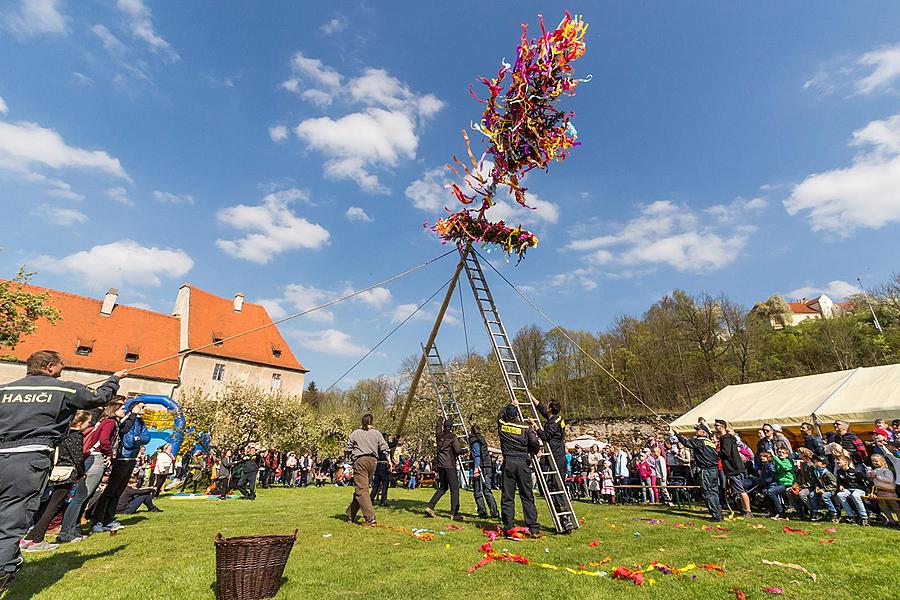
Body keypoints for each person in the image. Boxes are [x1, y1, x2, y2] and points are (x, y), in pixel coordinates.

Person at [0, 350, 124, 592]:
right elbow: (97, 399)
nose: (62, 370)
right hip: (28, 458)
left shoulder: (5, 390)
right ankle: (4, 570)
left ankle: (9, 560)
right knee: (12, 516)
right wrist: (115, 378)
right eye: (60, 366)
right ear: (49, 367)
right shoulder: (64, 389)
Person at [21, 411, 92, 552]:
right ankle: (37, 539)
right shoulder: (76, 436)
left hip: (56, 471)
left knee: (50, 505)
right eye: (88, 422)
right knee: (54, 506)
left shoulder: (62, 433)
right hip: (67, 473)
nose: (89, 424)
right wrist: (81, 473)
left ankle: (30, 537)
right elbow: (77, 457)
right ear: (79, 423)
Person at [57, 400, 124, 544]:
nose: (124, 410)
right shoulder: (110, 422)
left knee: (83, 496)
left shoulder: (104, 421)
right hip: (96, 458)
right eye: (122, 408)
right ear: (114, 410)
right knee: (81, 497)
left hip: (92, 457)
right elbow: (104, 440)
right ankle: (66, 531)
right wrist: (109, 453)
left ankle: (72, 527)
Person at [91, 400, 149, 532]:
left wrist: (139, 439)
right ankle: (97, 520)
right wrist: (137, 439)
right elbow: (128, 441)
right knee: (110, 491)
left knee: (118, 491)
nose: (145, 408)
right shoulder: (125, 420)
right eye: (142, 406)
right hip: (122, 458)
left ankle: (109, 519)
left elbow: (147, 437)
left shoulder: (141, 422)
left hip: (132, 459)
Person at [497, 403, 541, 537]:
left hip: (508, 462)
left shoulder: (502, 425)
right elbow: (534, 443)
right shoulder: (526, 427)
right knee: (527, 495)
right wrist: (535, 450)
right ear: (516, 414)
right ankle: (533, 528)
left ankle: (509, 526)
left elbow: (499, 415)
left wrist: (509, 404)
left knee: (508, 496)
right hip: (523, 462)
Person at [531, 397, 574, 529]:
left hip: (554, 457)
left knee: (554, 488)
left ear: (551, 408)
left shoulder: (552, 424)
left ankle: (564, 518)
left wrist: (536, 427)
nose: (546, 406)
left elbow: (545, 436)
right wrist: (531, 397)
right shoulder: (557, 418)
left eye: (548, 405)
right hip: (560, 456)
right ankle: (564, 515)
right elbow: (543, 410)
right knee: (556, 486)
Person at [345, 414, 390, 526]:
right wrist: (389, 461)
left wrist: (349, 459)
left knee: (361, 490)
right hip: (373, 462)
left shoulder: (355, 433)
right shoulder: (377, 433)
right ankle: (350, 514)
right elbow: (385, 448)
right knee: (362, 489)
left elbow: (348, 448)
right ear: (372, 421)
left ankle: (370, 518)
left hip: (361, 461)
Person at [673, 421, 722, 521]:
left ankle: (716, 515)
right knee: (714, 492)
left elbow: (686, 443)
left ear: (705, 433)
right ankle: (718, 513)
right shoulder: (711, 443)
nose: (696, 431)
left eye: (699, 430)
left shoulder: (700, 441)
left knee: (707, 492)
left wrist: (677, 434)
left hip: (706, 470)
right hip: (714, 470)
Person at [425, 416, 466, 521]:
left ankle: (430, 506)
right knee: (455, 489)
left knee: (442, 488)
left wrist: (439, 418)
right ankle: (454, 513)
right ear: (451, 427)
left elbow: (437, 428)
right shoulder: (452, 436)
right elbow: (457, 450)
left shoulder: (439, 436)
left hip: (441, 466)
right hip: (450, 465)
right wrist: (465, 450)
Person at [714, 419, 752, 518]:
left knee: (741, 490)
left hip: (733, 468)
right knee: (739, 490)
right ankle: (744, 510)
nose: (715, 427)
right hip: (736, 467)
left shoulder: (725, 439)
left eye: (716, 425)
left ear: (722, 427)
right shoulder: (730, 437)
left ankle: (748, 511)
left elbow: (726, 452)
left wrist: (716, 453)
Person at [468, 424, 499, 519]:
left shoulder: (475, 441)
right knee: (487, 490)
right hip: (487, 465)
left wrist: (476, 468)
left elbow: (477, 455)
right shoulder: (482, 439)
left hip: (481, 466)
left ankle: (482, 511)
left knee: (477, 490)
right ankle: (494, 512)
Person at [835, 455, 869, 526]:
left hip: (859, 489)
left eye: (839, 460)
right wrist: (840, 485)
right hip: (848, 489)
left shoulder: (856, 471)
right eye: (837, 460)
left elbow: (864, 482)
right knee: (839, 495)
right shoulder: (839, 472)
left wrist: (868, 492)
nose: (837, 461)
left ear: (846, 462)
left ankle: (864, 518)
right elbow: (840, 482)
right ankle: (851, 515)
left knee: (855, 495)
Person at [868, 453, 900, 525]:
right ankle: (891, 520)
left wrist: (876, 476)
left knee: (895, 506)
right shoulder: (875, 470)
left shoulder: (886, 471)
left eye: (876, 461)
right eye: (873, 461)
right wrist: (871, 477)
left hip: (889, 491)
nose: (874, 463)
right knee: (883, 506)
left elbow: (889, 480)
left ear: (882, 461)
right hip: (879, 491)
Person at [370, 432, 393, 507]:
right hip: (383, 465)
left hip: (377, 465)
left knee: (376, 484)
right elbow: (393, 444)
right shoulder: (384, 445)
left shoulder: (376, 446)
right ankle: (383, 501)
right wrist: (396, 439)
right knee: (385, 484)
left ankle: (371, 500)